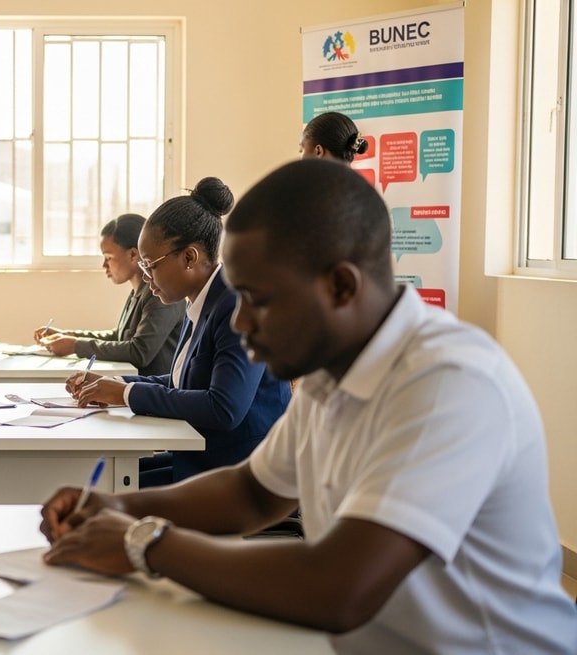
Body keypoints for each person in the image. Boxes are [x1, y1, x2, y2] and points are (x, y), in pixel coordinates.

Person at [40, 159, 577, 653]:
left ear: (341, 286)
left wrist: (145, 542)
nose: (242, 322)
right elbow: (252, 492)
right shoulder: (331, 369)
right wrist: (117, 507)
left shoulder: (448, 383)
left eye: (259, 299)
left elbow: (340, 586)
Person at [68, 179, 290, 486]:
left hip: (243, 474)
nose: (145, 278)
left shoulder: (234, 304)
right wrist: (116, 384)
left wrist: (126, 394)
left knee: (108, 492)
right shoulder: (200, 300)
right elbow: (181, 383)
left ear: (189, 257)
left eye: (151, 266)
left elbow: (224, 408)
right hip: (203, 457)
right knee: (99, 477)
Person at [33, 213, 184, 376]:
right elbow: (119, 336)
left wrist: (75, 345)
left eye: (108, 257)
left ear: (133, 255)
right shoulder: (139, 292)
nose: (104, 265)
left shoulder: (159, 293)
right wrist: (68, 336)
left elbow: (139, 351)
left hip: (154, 391)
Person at [300, 111, 369, 163]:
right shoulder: (359, 181)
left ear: (318, 151)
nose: (300, 158)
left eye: (302, 150)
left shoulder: (298, 181)